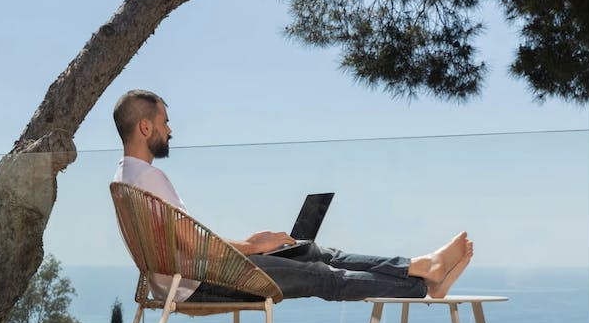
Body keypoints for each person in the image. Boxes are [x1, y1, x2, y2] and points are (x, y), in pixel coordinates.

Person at [111, 89, 473, 304]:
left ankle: (420, 268)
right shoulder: (150, 179)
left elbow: (182, 241)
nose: (169, 130)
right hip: (199, 283)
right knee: (320, 275)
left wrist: (252, 242)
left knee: (312, 251)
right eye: (164, 122)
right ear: (146, 127)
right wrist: (253, 247)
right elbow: (189, 241)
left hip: (189, 276)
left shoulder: (126, 178)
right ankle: (421, 283)